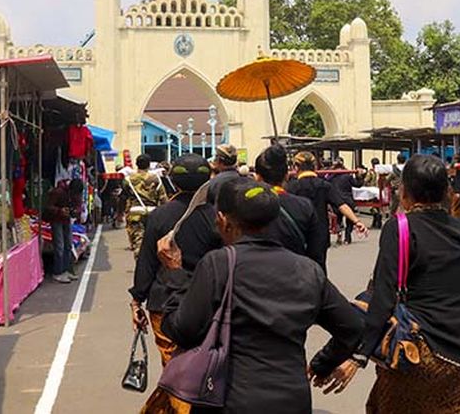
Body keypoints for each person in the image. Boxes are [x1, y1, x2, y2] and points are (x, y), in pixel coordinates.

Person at [160, 178, 364, 414]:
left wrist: (174, 273)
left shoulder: (219, 264)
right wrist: (322, 363)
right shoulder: (308, 270)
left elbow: (182, 331)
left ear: (224, 221)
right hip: (291, 398)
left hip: (229, 399)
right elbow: (352, 328)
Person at [315, 155, 460, 413]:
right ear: (445, 192)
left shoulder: (400, 228)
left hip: (423, 354)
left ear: (405, 192)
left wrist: (357, 357)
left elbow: (383, 299)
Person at [129, 154, 220, 414]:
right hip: (207, 302)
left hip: (165, 301)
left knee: (174, 368)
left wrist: (137, 300)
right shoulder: (218, 216)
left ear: (172, 180)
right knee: (199, 366)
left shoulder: (160, 215)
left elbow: (146, 261)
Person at [286, 151, 367, 272]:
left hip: (298, 235)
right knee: (320, 270)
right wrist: (357, 221)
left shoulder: (291, 188)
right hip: (320, 235)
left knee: (299, 272)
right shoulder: (324, 185)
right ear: (314, 167)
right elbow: (341, 205)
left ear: (296, 167)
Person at [254, 144, 322, 263]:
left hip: (255, 276)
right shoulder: (304, 207)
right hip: (296, 275)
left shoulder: (244, 206)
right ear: (286, 176)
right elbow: (316, 254)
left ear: (257, 177)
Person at [123, 154, 168, 259]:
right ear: (149, 165)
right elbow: (163, 199)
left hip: (135, 213)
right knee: (153, 242)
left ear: (136, 164)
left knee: (138, 242)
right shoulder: (155, 179)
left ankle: (140, 265)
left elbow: (124, 197)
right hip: (153, 213)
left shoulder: (128, 179)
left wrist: (121, 212)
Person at [44, 179, 84, 283]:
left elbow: (79, 205)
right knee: (59, 246)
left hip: (66, 220)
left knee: (68, 245)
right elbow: (48, 207)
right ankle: (58, 272)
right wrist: (59, 210)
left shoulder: (76, 194)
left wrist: (75, 211)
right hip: (56, 220)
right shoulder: (58, 192)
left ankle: (66, 270)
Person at [331, 158, 364, 244]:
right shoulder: (347, 176)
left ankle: (339, 234)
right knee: (349, 220)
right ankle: (347, 237)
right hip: (347, 200)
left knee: (338, 219)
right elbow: (358, 184)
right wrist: (359, 176)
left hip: (336, 200)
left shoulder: (330, 176)